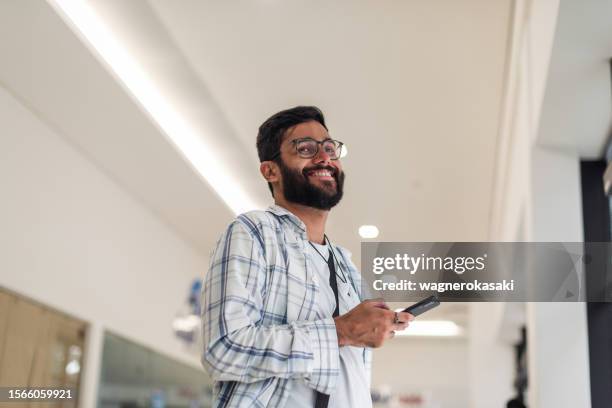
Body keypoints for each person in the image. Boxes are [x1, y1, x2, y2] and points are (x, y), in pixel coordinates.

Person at [201, 106, 413, 407]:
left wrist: (371, 326)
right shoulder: (254, 232)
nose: (325, 157)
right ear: (270, 170)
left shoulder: (345, 265)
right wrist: (342, 330)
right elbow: (222, 350)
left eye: (330, 148)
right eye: (305, 148)